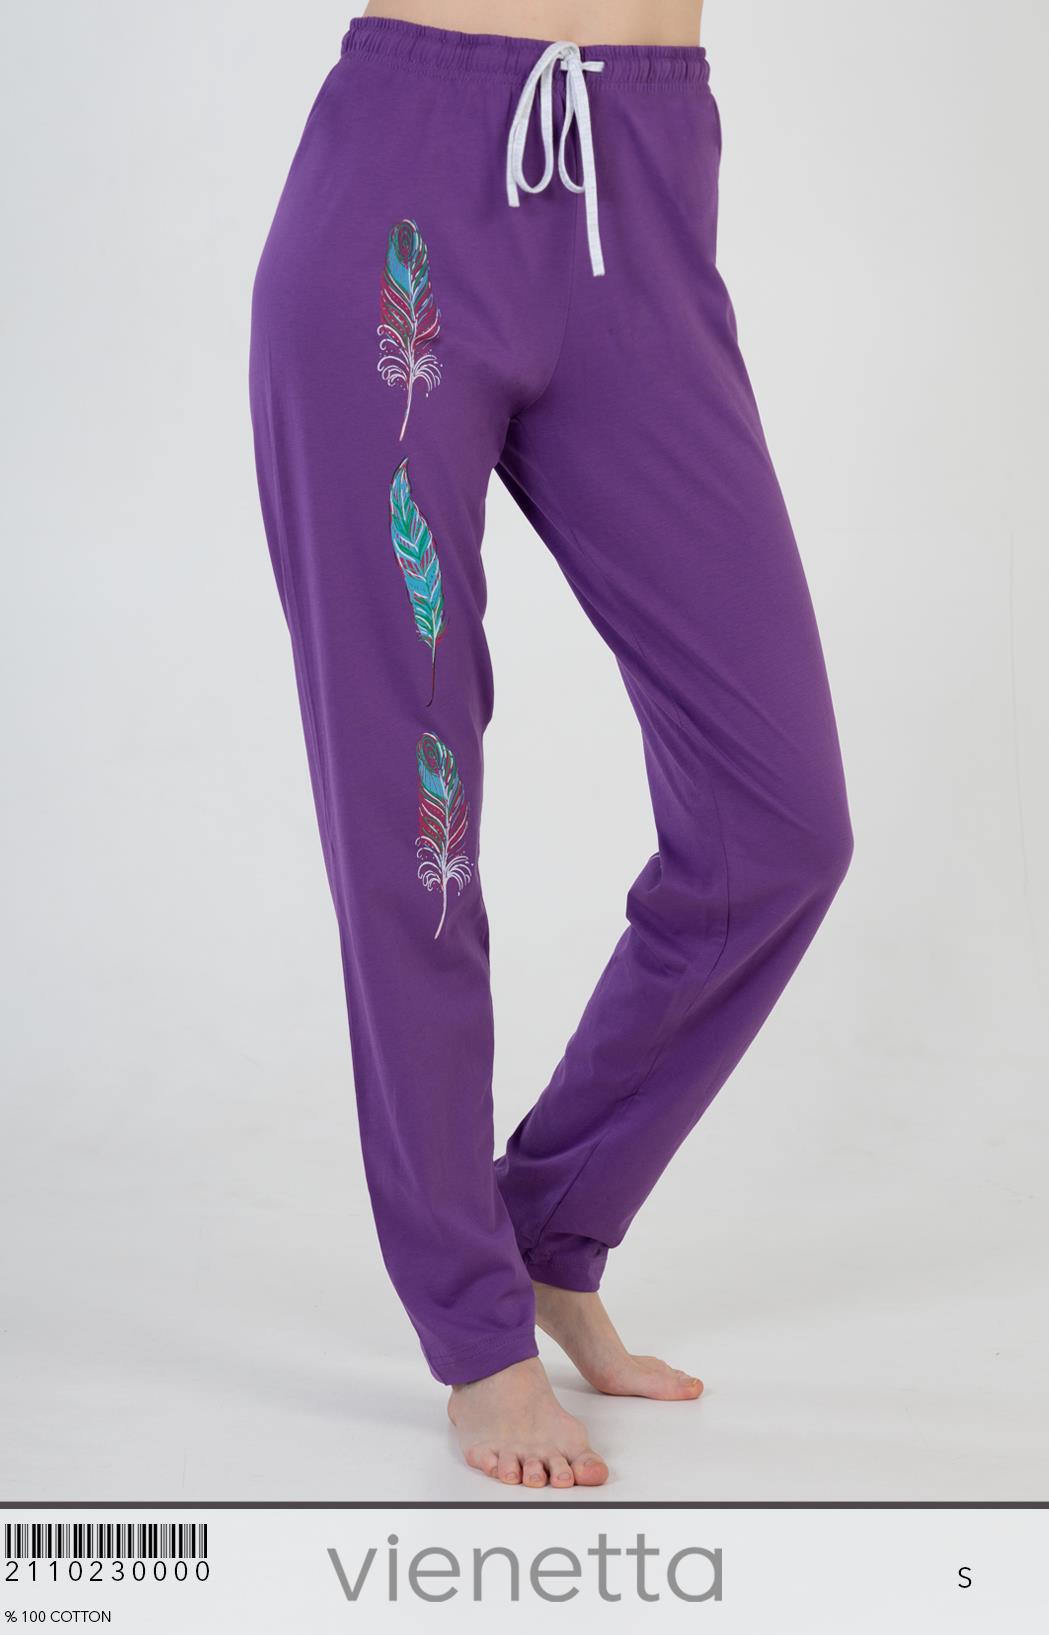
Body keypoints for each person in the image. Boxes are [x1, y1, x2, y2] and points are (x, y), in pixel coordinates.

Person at [248, 0, 852, 1489]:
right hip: (404, 194)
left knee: (780, 826)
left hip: (645, 193)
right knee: (418, 824)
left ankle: (548, 1225)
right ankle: (475, 1330)